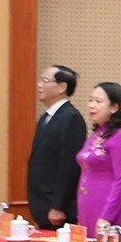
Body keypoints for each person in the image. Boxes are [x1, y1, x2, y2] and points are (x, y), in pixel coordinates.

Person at [27, 64, 85, 230]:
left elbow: (69, 166)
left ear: (62, 87)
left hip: (57, 208)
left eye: (45, 80)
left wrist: (58, 206)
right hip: (41, 204)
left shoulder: (71, 118)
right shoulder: (47, 117)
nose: (39, 84)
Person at [75, 82, 121, 233]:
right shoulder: (97, 133)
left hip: (108, 208)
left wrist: (107, 217)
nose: (92, 105)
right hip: (87, 205)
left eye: (98, 101)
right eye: (91, 100)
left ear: (114, 107)